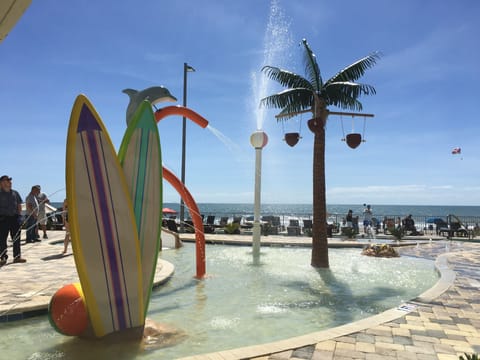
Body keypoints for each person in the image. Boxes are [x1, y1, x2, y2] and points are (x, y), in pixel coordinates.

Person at [0, 175, 26, 265]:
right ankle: (3, 257)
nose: (10, 182)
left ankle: (17, 257)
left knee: (16, 238)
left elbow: (19, 205)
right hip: (3, 219)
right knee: (2, 239)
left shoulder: (15, 193)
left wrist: (19, 216)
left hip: (14, 218)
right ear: (2, 183)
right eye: (7, 180)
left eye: (10, 180)